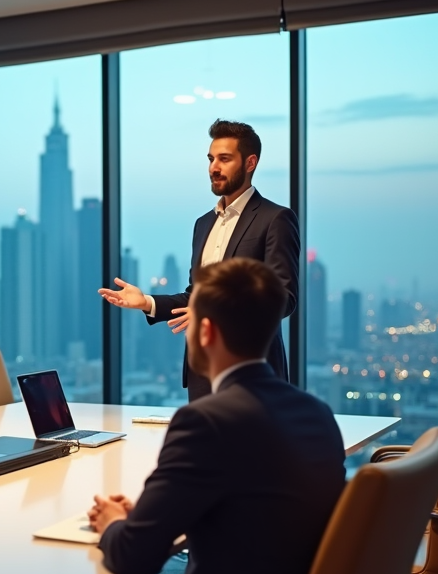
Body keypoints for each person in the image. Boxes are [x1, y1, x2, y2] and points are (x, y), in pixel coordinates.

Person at [21, 258, 345, 574]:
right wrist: (156, 515)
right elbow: (255, 503)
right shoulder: (316, 412)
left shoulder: (205, 420)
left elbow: (133, 557)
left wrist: (114, 523)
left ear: (205, 332)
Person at [99, 119, 300, 401]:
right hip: (202, 373)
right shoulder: (203, 224)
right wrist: (147, 302)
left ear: (250, 163)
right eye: (211, 159)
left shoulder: (275, 219)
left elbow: (283, 298)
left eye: (224, 159)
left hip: (254, 375)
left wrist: (214, 313)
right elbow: (197, 296)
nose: (213, 168)